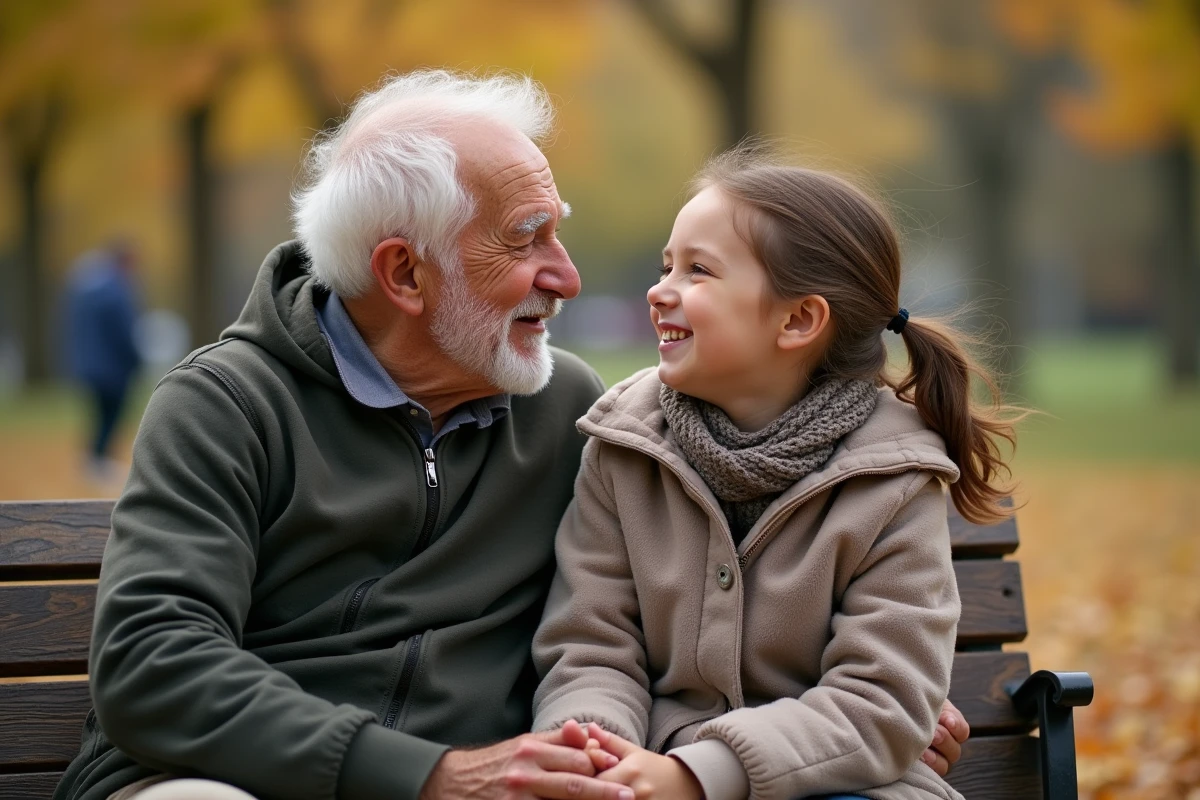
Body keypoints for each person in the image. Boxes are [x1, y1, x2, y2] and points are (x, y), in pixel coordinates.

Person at [54, 71, 967, 800]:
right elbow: (151, 663)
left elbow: (668, 600)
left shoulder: (571, 410)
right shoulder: (227, 405)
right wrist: (429, 777)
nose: (566, 279)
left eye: (557, 235)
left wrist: (863, 718)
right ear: (404, 273)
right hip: (231, 781)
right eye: (526, 241)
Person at [532, 147, 1020, 800]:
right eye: (665, 265)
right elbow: (592, 649)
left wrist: (696, 777)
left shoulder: (893, 481)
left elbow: (880, 702)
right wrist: (592, 750)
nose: (660, 290)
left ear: (797, 320)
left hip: (847, 787)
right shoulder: (623, 450)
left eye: (698, 271)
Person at [61, 241, 142, 480]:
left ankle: (95, 459)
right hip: (111, 367)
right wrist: (137, 359)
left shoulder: (87, 287)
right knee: (111, 413)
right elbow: (124, 332)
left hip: (89, 364)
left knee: (99, 413)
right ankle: (98, 461)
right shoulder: (116, 290)